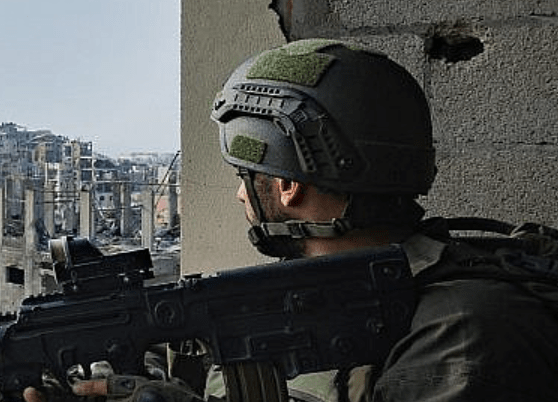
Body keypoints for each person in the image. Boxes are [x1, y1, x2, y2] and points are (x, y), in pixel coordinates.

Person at [27, 39, 558, 402]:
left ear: (287, 185)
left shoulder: (467, 332)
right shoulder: (331, 295)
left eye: (246, 177)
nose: (239, 195)